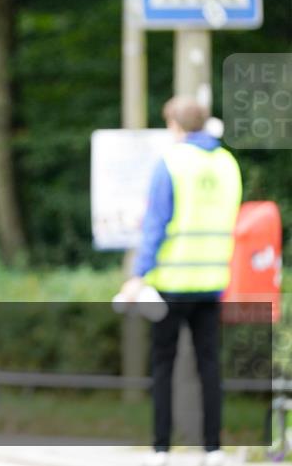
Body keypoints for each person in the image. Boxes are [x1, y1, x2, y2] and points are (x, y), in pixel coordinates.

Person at [119, 96, 242, 466]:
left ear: (175, 124)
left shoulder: (171, 163)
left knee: (163, 365)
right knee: (209, 366)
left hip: (171, 282)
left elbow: (156, 225)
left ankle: (161, 449)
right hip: (212, 279)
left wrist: (137, 276)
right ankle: (213, 448)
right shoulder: (227, 163)